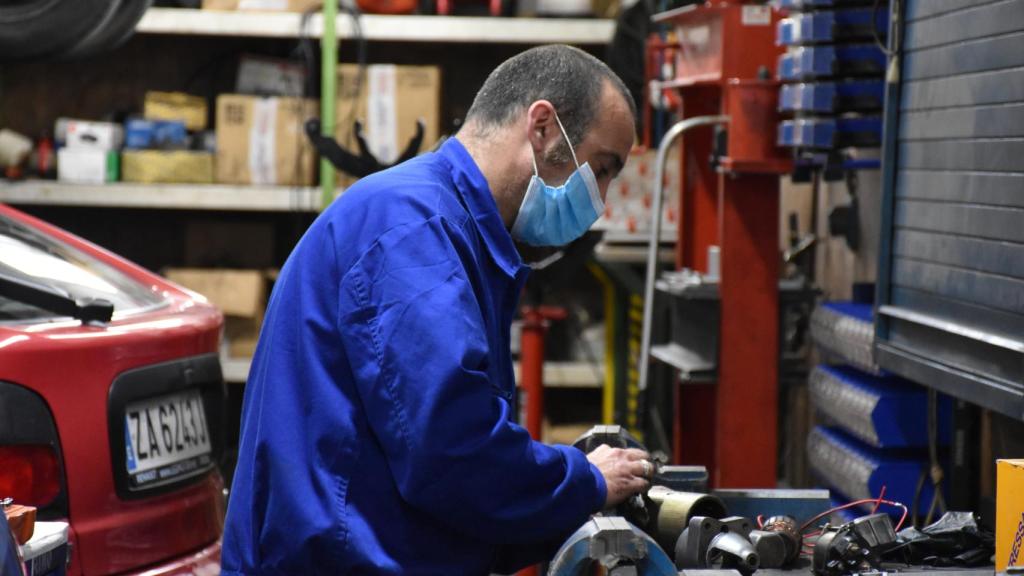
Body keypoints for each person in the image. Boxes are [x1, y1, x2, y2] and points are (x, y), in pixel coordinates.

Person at [221, 44, 650, 576]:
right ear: (543, 128)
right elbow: (451, 451)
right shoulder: (413, 232)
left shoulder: (450, 227)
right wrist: (585, 480)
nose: (601, 200)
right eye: (602, 168)